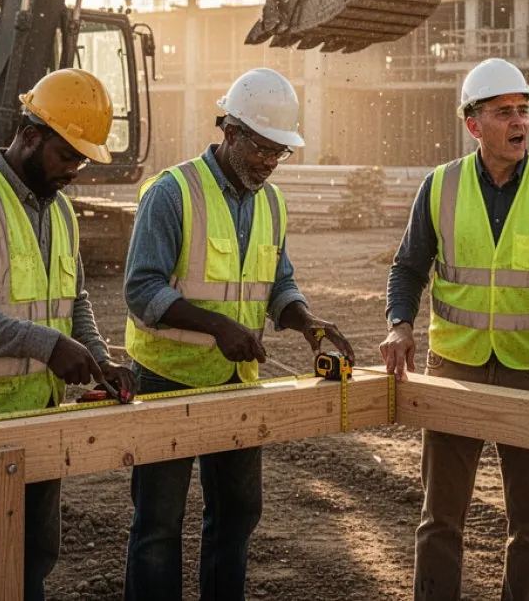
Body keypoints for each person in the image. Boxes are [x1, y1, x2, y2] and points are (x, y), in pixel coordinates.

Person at [122, 67, 355, 601]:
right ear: (230, 131)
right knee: (158, 524)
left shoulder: (270, 202)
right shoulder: (172, 192)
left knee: (238, 514)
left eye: (280, 152)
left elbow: (279, 282)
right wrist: (216, 326)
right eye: (262, 149)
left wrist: (304, 321)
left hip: (235, 383)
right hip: (167, 379)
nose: (270, 162)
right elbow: (140, 289)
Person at [380, 58, 529, 601]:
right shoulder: (440, 186)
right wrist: (399, 326)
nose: (519, 122)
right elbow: (407, 267)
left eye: (523, 111)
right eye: (504, 112)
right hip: (456, 368)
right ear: (474, 124)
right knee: (439, 520)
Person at [0, 68, 137, 601]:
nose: (74, 171)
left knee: (32, 560)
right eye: (67, 156)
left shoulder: (60, 211)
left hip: (36, 416)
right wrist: (48, 345)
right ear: (32, 136)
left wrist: (98, 357)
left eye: (82, 160)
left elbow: (73, 299)